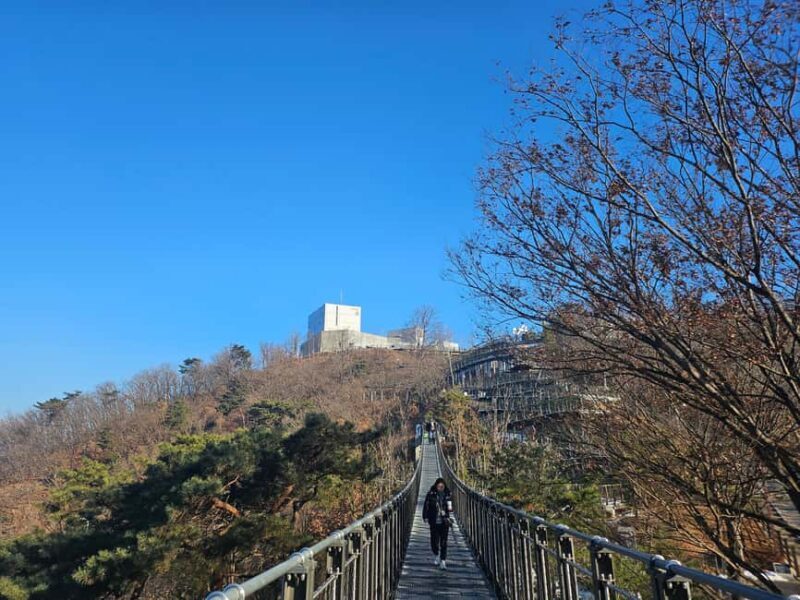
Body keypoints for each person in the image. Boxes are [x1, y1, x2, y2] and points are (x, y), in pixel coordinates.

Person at [422, 477, 453, 570]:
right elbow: (426, 506)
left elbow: (451, 508)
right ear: (436, 486)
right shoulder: (430, 494)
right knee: (434, 541)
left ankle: (443, 561)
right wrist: (425, 517)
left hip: (444, 522)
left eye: (442, 486)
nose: (440, 487)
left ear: (444, 486)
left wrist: (448, 511)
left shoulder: (448, 495)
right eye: (439, 486)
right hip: (434, 521)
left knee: (444, 542)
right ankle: (436, 554)